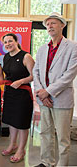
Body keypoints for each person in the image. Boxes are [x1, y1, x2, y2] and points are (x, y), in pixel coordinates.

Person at [33, 12, 77, 167]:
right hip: (44, 100)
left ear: (62, 25)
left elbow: (69, 74)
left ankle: (62, 164)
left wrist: (48, 92)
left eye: (53, 23)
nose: (50, 26)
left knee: (63, 139)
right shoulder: (42, 49)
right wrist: (42, 93)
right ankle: (46, 162)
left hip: (62, 99)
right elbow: (36, 72)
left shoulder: (73, 47)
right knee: (45, 133)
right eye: (48, 24)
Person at [1, 33, 35, 163]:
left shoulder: (26, 56)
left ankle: (21, 149)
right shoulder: (6, 57)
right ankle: (12, 145)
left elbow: (34, 76)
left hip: (22, 94)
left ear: (16, 42)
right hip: (10, 92)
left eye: (10, 41)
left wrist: (20, 81)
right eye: (5, 42)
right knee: (11, 120)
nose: (8, 44)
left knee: (21, 123)